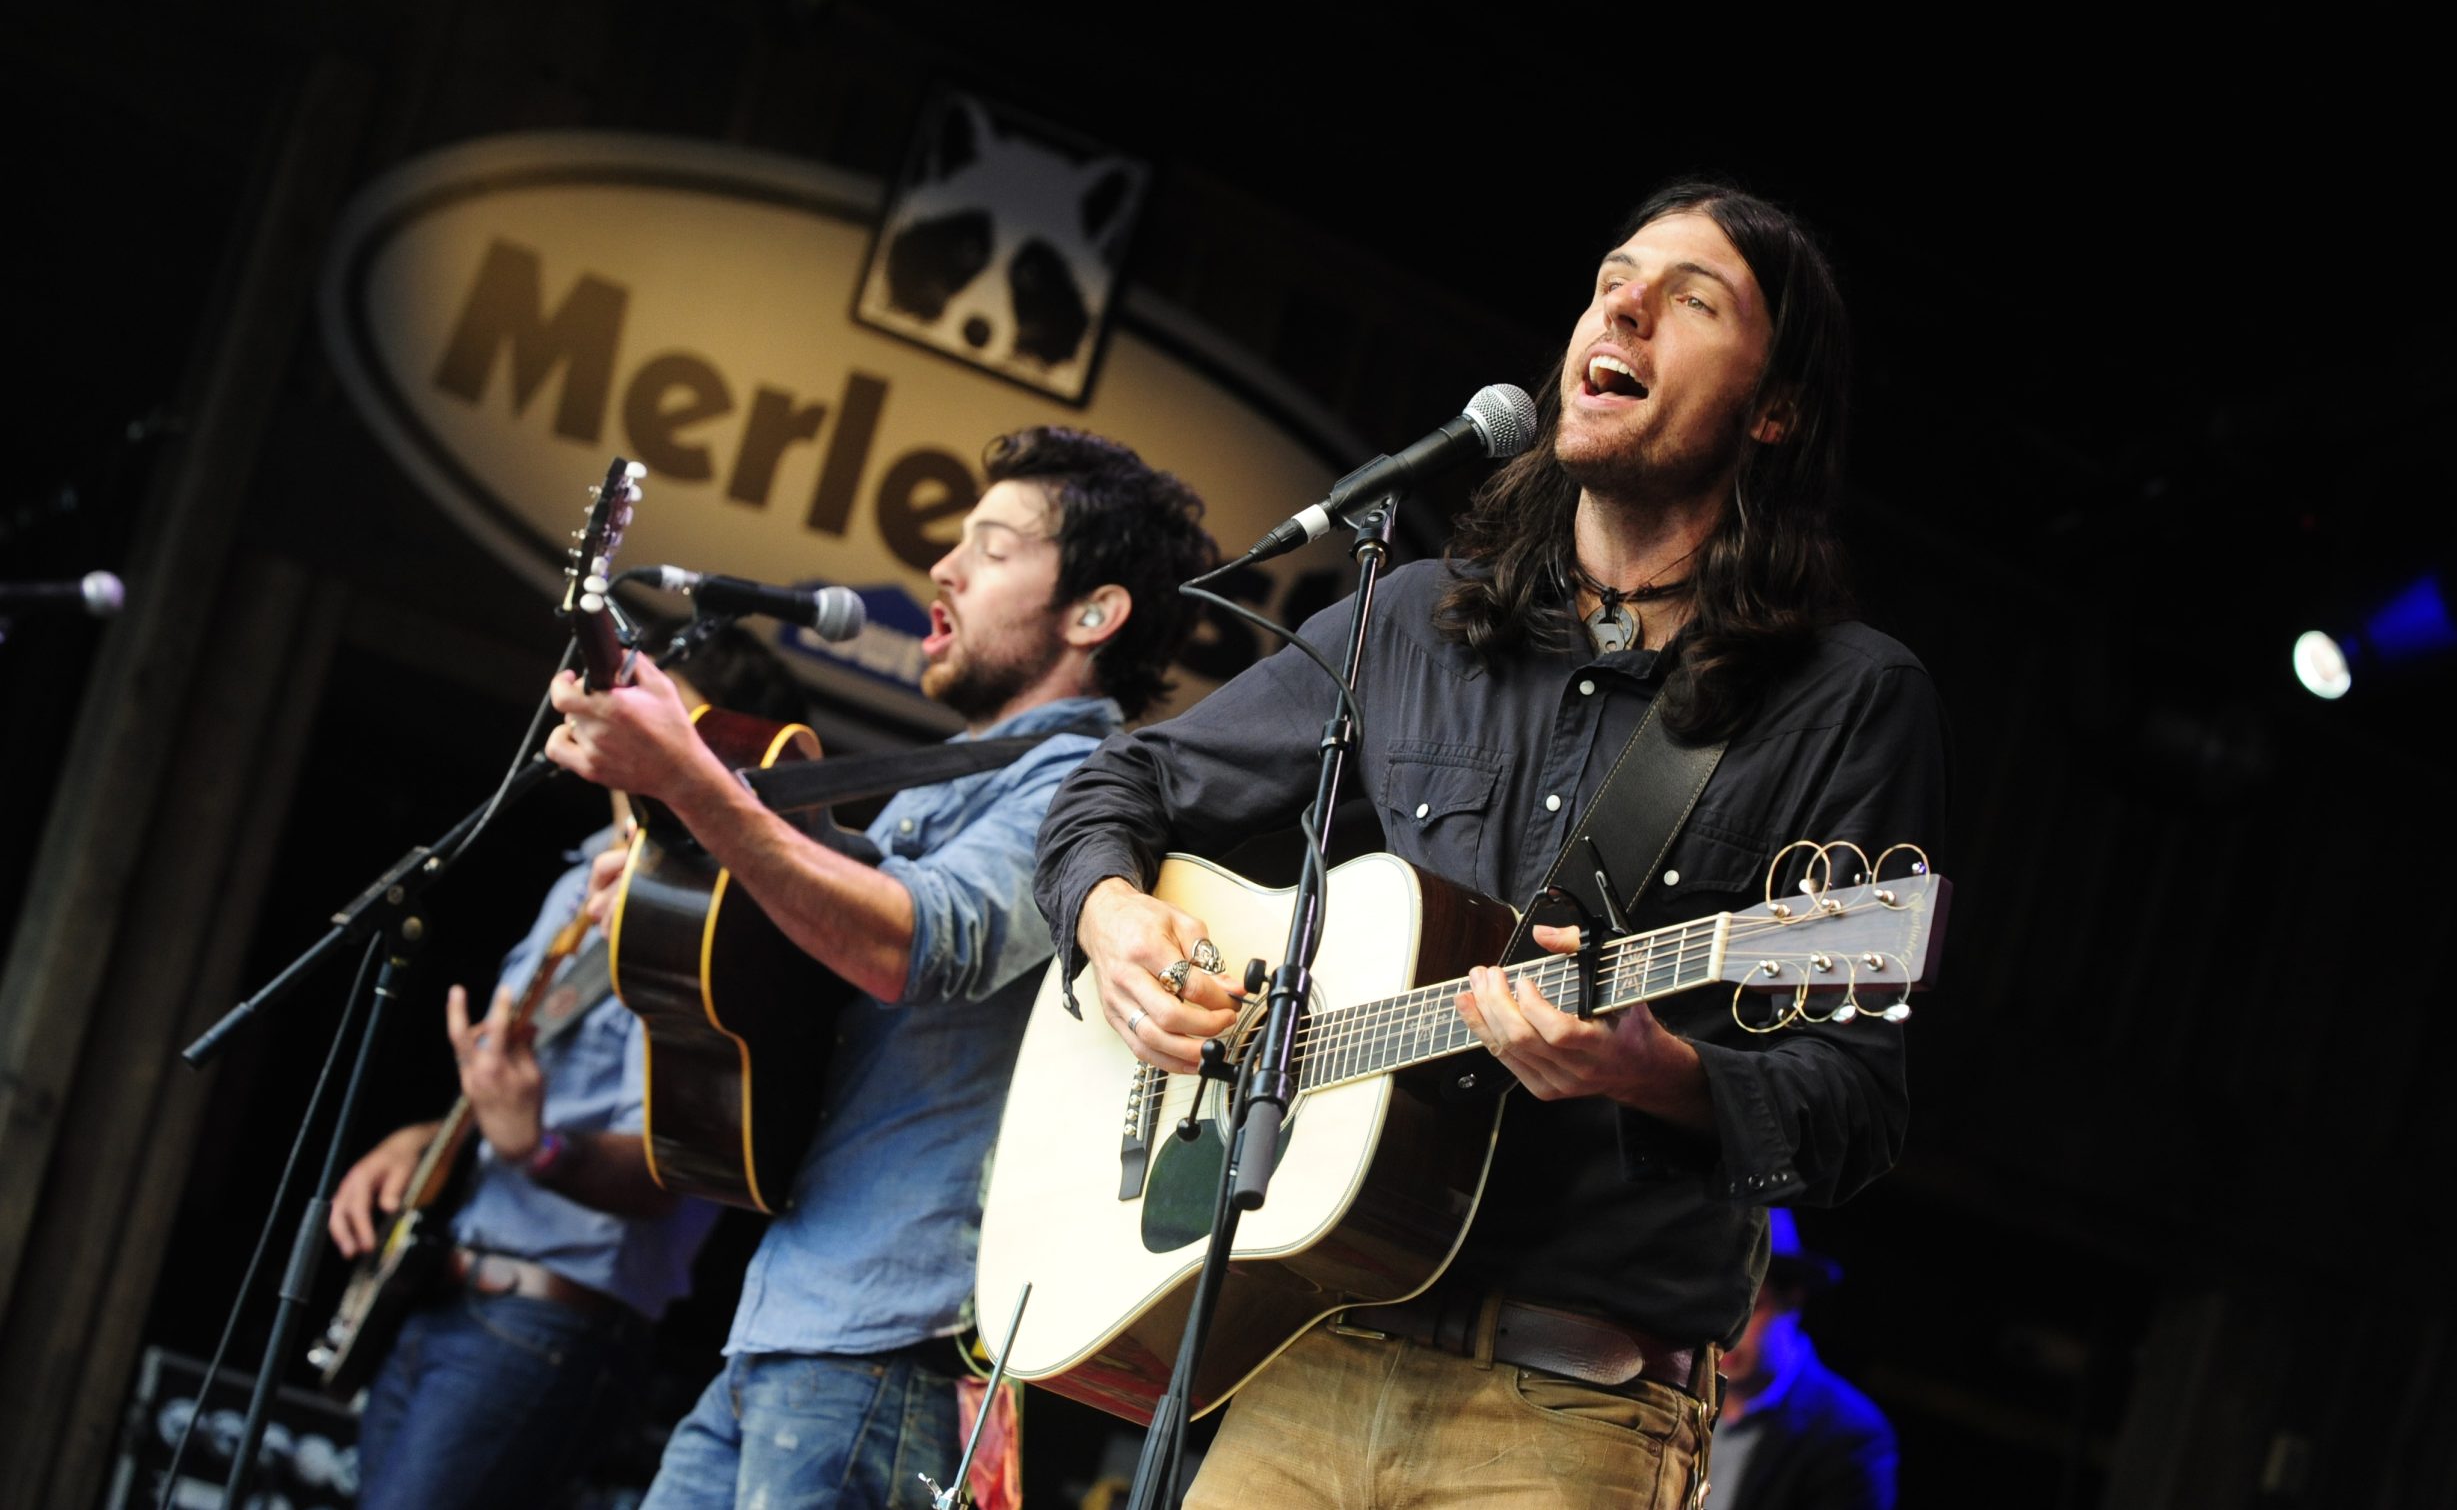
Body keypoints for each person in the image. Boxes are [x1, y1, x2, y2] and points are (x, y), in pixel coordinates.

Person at [1035, 180, 1948, 1508]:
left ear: (1776, 410)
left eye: (1691, 299)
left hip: (1567, 1408)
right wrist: (1111, 915)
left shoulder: (1848, 699)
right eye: (1612, 280)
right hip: (1298, 1346)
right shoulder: (1413, 619)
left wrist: (1655, 1071)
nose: (1623, 308)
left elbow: (1854, 1108)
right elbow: (1120, 781)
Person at [543, 426, 1217, 1510]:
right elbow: (816, 962)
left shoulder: (1086, 784)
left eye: (992, 547)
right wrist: (688, 862)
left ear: (1094, 613)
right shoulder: (948, 779)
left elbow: (919, 941)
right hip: (796, 1317)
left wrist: (694, 788)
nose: (943, 568)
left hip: (894, 1341)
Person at [330, 626, 808, 1510]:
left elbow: (672, 1169)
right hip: (445, 1290)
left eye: (659, 711)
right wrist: (428, 1138)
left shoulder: (724, 919)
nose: (624, 719)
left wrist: (538, 1149)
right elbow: (519, 1086)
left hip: (548, 1321)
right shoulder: (575, 880)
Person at [1709, 1208, 1898, 1510]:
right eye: (1715, 1310)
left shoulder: (1850, 1435)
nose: (1726, 1332)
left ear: (1793, 1300)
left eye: (1748, 1310)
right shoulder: (1683, 1395)